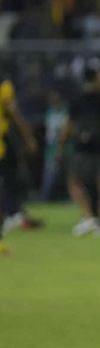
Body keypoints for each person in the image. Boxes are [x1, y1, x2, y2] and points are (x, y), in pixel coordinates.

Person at [62, 66, 100, 236]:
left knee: (74, 181)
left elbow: (69, 125)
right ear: (95, 78)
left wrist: (61, 144)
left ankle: (87, 217)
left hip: (80, 147)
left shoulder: (77, 99)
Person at [0, 74, 39, 254]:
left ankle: (14, 213)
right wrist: (28, 137)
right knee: (7, 185)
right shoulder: (3, 85)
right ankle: (14, 213)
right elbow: (14, 113)